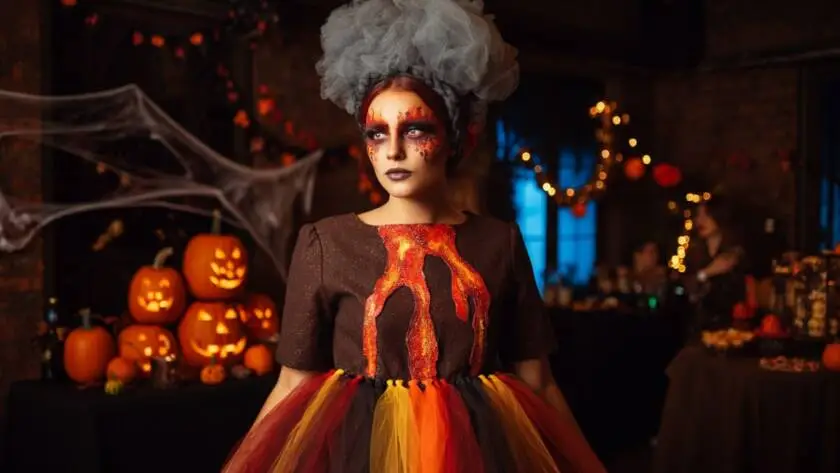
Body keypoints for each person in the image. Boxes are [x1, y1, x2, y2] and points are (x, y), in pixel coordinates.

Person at [222, 1, 605, 472]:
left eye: (416, 129)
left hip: (477, 448)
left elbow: (539, 381)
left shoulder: (499, 242)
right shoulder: (326, 243)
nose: (394, 151)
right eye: (377, 133)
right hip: (359, 450)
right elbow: (292, 383)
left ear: (454, 136)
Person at [683, 197, 746, 333]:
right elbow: (687, 290)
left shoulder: (734, 252)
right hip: (700, 326)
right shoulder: (694, 252)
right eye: (698, 215)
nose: (700, 221)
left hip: (733, 327)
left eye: (706, 215)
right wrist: (706, 273)